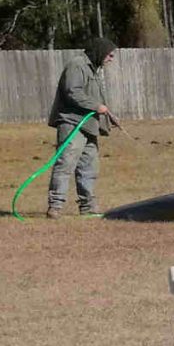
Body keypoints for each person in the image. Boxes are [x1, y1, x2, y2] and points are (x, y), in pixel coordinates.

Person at [45, 39, 119, 217]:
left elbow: (93, 97)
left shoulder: (92, 68)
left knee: (89, 167)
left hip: (89, 126)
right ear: (100, 51)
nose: (111, 59)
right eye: (110, 55)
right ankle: (55, 206)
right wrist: (96, 106)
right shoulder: (77, 65)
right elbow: (73, 92)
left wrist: (108, 116)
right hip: (72, 124)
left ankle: (87, 207)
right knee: (65, 164)